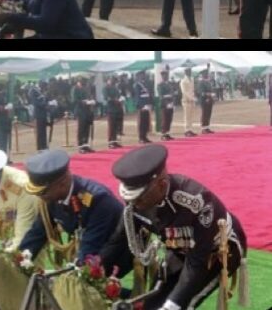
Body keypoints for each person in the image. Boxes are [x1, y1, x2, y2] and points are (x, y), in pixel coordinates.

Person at [101, 145, 247, 310]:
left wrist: (172, 305)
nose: (134, 205)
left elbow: (196, 263)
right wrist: (93, 268)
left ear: (162, 185)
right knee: (152, 304)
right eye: (130, 199)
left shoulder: (197, 203)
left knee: (180, 304)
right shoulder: (135, 202)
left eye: (139, 198)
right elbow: (118, 239)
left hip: (218, 250)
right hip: (179, 247)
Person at [19, 149, 128, 267]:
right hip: (92, 250)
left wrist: (78, 268)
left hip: (116, 254)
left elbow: (91, 244)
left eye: (42, 192)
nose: (39, 197)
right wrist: (21, 258)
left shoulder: (98, 200)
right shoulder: (51, 198)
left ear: (62, 183)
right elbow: (37, 232)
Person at [72, 77, 95, 153]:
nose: (83, 84)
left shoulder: (86, 89)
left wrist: (91, 101)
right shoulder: (75, 89)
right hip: (80, 111)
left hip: (87, 110)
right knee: (81, 129)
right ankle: (80, 147)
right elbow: (74, 100)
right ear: (78, 82)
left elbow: (89, 96)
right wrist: (84, 102)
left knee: (87, 128)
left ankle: (86, 145)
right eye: (82, 82)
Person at [26, 81, 49, 151]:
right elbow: (36, 103)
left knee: (44, 131)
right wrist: (44, 103)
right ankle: (40, 147)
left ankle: (44, 146)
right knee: (40, 131)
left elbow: (45, 100)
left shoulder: (42, 92)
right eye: (44, 87)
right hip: (38, 113)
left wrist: (47, 102)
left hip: (43, 113)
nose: (45, 88)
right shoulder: (34, 92)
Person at [103, 76, 124, 149]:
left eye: (114, 80)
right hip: (111, 108)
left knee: (116, 126)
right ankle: (111, 142)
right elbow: (106, 97)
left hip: (117, 108)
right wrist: (114, 100)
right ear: (108, 80)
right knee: (111, 126)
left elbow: (119, 95)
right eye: (112, 80)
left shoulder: (115, 87)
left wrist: (121, 99)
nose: (114, 82)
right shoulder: (106, 88)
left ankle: (115, 141)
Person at [134, 70, 153, 144]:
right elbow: (137, 96)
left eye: (144, 75)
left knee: (146, 122)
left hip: (147, 105)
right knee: (141, 122)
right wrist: (141, 106)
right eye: (142, 75)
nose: (144, 76)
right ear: (139, 76)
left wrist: (149, 103)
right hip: (142, 106)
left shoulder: (145, 84)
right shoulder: (137, 85)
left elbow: (148, 94)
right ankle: (141, 138)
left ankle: (145, 136)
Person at [157, 68, 175, 141]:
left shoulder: (169, 84)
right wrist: (168, 99)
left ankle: (167, 133)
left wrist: (172, 101)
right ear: (162, 76)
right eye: (164, 75)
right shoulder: (160, 85)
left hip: (170, 103)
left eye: (166, 75)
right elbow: (161, 96)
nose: (166, 76)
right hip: (164, 104)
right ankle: (163, 134)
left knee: (169, 119)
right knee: (164, 119)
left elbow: (172, 93)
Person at [180, 67, 197, 137]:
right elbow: (184, 92)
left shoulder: (192, 79)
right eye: (187, 71)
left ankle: (190, 129)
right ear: (185, 72)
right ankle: (187, 130)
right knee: (187, 116)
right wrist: (192, 98)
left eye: (190, 71)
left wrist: (193, 97)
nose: (189, 72)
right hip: (186, 100)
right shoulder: (183, 81)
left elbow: (192, 90)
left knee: (191, 116)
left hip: (192, 100)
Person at [198, 68, 215, 134]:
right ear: (203, 75)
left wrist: (212, 96)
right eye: (206, 74)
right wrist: (209, 94)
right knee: (204, 114)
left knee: (208, 114)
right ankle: (203, 128)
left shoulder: (208, 82)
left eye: (207, 74)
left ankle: (207, 127)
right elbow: (201, 93)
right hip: (204, 100)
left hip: (209, 100)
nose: (207, 75)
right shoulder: (201, 82)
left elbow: (211, 90)